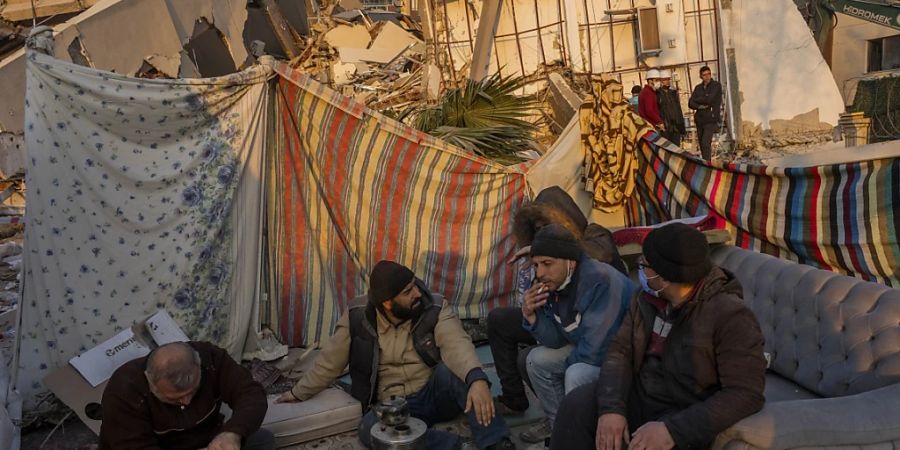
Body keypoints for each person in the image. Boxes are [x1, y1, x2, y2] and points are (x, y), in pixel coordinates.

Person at [548, 223, 767, 450]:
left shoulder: (731, 316)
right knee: (576, 406)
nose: (640, 270)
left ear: (665, 278)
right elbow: (620, 351)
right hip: (642, 394)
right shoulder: (645, 299)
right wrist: (611, 408)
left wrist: (672, 430)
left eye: (644, 265)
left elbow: (746, 392)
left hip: (685, 409)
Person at [277, 261, 515, 450]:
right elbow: (329, 363)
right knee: (370, 429)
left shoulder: (434, 307)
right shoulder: (357, 316)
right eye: (407, 291)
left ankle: (496, 441)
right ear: (388, 303)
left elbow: (456, 344)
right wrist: (298, 392)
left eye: (415, 285)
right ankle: (448, 445)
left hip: (433, 393)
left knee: (457, 374)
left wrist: (476, 378)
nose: (417, 294)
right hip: (391, 406)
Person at [488, 187, 626, 424]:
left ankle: (573, 424)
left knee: (569, 369)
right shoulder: (546, 270)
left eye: (548, 225)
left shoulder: (595, 240)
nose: (543, 233)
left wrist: (552, 249)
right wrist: (531, 315)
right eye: (538, 230)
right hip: (571, 330)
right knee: (508, 330)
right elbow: (555, 331)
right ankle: (549, 418)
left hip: (603, 338)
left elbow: (596, 254)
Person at [516, 224, 636, 444]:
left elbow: (594, 354)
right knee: (535, 360)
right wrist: (531, 315)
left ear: (570, 261)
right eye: (536, 265)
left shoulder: (598, 281)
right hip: (588, 348)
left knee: (576, 373)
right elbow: (556, 340)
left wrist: (567, 366)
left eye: (547, 264)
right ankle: (560, 427)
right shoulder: (555, 283)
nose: (540, 273)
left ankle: (581, 434)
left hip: (622, 361)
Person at [99, 341, 273, 450]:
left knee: (263, 440)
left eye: (192, 391)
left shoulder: (211, 359)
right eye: (174, 398)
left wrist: (232, 433)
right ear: (149, 380)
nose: (186, 401)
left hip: (207, 440)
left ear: (199, 367)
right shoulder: (124, 390)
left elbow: (250, 394)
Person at [689, 66, 723, 160]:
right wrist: (699, 106)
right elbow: (690, 103)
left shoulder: (716, 85)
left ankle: (708, 163)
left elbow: (709, 100)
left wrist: (697, 99)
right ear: (701, 76)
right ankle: (705, 161)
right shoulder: (698, 88)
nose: (707, 76)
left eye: (709, 74)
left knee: (705, 142)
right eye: (704, 75)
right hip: (700, 119)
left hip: (711, 118)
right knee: (701, 144)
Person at [656, 69, 686, 146]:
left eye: (668, 79)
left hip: (675, 126)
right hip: (665, 127)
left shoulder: (673, 93)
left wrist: (682, 128)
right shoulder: (657, 94)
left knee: (677, 148)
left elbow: (678, 110)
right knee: (667, 148)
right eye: (665, 79)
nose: (667, 81)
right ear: (660, 81)